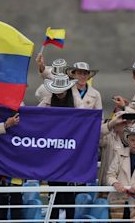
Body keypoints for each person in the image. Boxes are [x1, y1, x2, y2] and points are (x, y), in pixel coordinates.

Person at [38, 73, 79, 221]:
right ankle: (53, 219)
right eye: (57, 90)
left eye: (62, 90)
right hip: (53, 152)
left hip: (69, 151)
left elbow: (84, 115)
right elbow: (35, 115)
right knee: (52, 188)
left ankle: (69, 219)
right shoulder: (47, 101)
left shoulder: (75, 102)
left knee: (68, 190)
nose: (59, 93)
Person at [98, 111, 135, 186]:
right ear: (115, 126)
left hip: (130, 186)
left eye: (129, 122)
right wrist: (111, 123)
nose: (127, 125)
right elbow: (94, 135)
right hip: (109, 186)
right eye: (123, 122)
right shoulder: (108, 139)